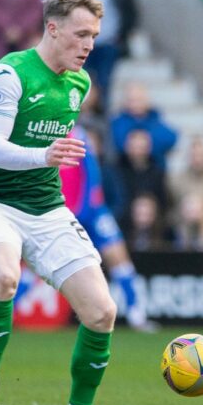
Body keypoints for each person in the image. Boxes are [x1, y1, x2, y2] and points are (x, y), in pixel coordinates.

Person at [0, 0, 124, 405]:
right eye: (81, 34)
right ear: (52, 28)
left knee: (102, 311)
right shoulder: (8, 73)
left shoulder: (79, 83)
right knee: (5, 277)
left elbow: (52, 152)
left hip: (47, 208)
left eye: (94, 36)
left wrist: (50, 158)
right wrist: (46, 154)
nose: (89, 45)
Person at [60, 124, 159, 333]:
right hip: (61, 214)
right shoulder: (40, 137)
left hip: (93, 211)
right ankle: (11, 310)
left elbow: (91, 176)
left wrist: (85, 209)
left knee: (118, 257)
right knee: (40, 264)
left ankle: (136, 313)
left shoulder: (78, 135)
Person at [74, 0, 137, 102]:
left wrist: (122, 37)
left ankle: (102, 124)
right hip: (82, 42)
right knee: (80, 84)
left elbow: (130, 10)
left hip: (108, 41)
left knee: (104, 85)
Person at [110, 82, 178, 169]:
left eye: (139, 100)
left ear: (147, 101)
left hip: (154, 172)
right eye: (131, 100)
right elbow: (120, 142)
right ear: (125, 102)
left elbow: (171, 137)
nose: (135, 104)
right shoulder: (117, 123)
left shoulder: (155, 119)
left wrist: (141, 143)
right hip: (125, 172)